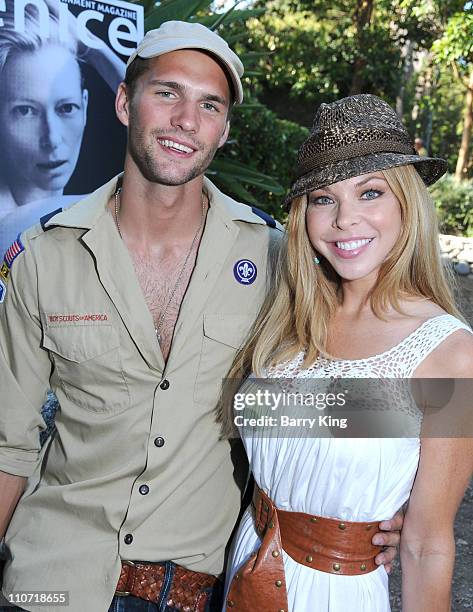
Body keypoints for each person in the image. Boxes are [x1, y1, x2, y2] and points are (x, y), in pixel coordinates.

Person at [0, 24, 401, 612]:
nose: (186, 119)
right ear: (122, 102)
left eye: (209, 104)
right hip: (51, 582)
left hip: (192, 590)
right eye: (167, 93)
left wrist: (393, 493)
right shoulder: (45, 255)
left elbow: (328, 390)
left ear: (225, 128)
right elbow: (7, 443)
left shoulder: (273, 257)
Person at [222, 95, 473, 611]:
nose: (344, 219)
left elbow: (427, 544)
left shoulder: (450, 355)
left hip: (336, 592)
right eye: (323, 198)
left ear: (407, 201)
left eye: (370, 192)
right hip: (247, 564)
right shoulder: (285, 319)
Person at [0, 1, 124, 254]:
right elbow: (151, 118)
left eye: (66, 108)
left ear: (85, 106)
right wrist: (92, 46)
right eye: (26, 111)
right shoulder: (17, 223)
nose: (52, 138)